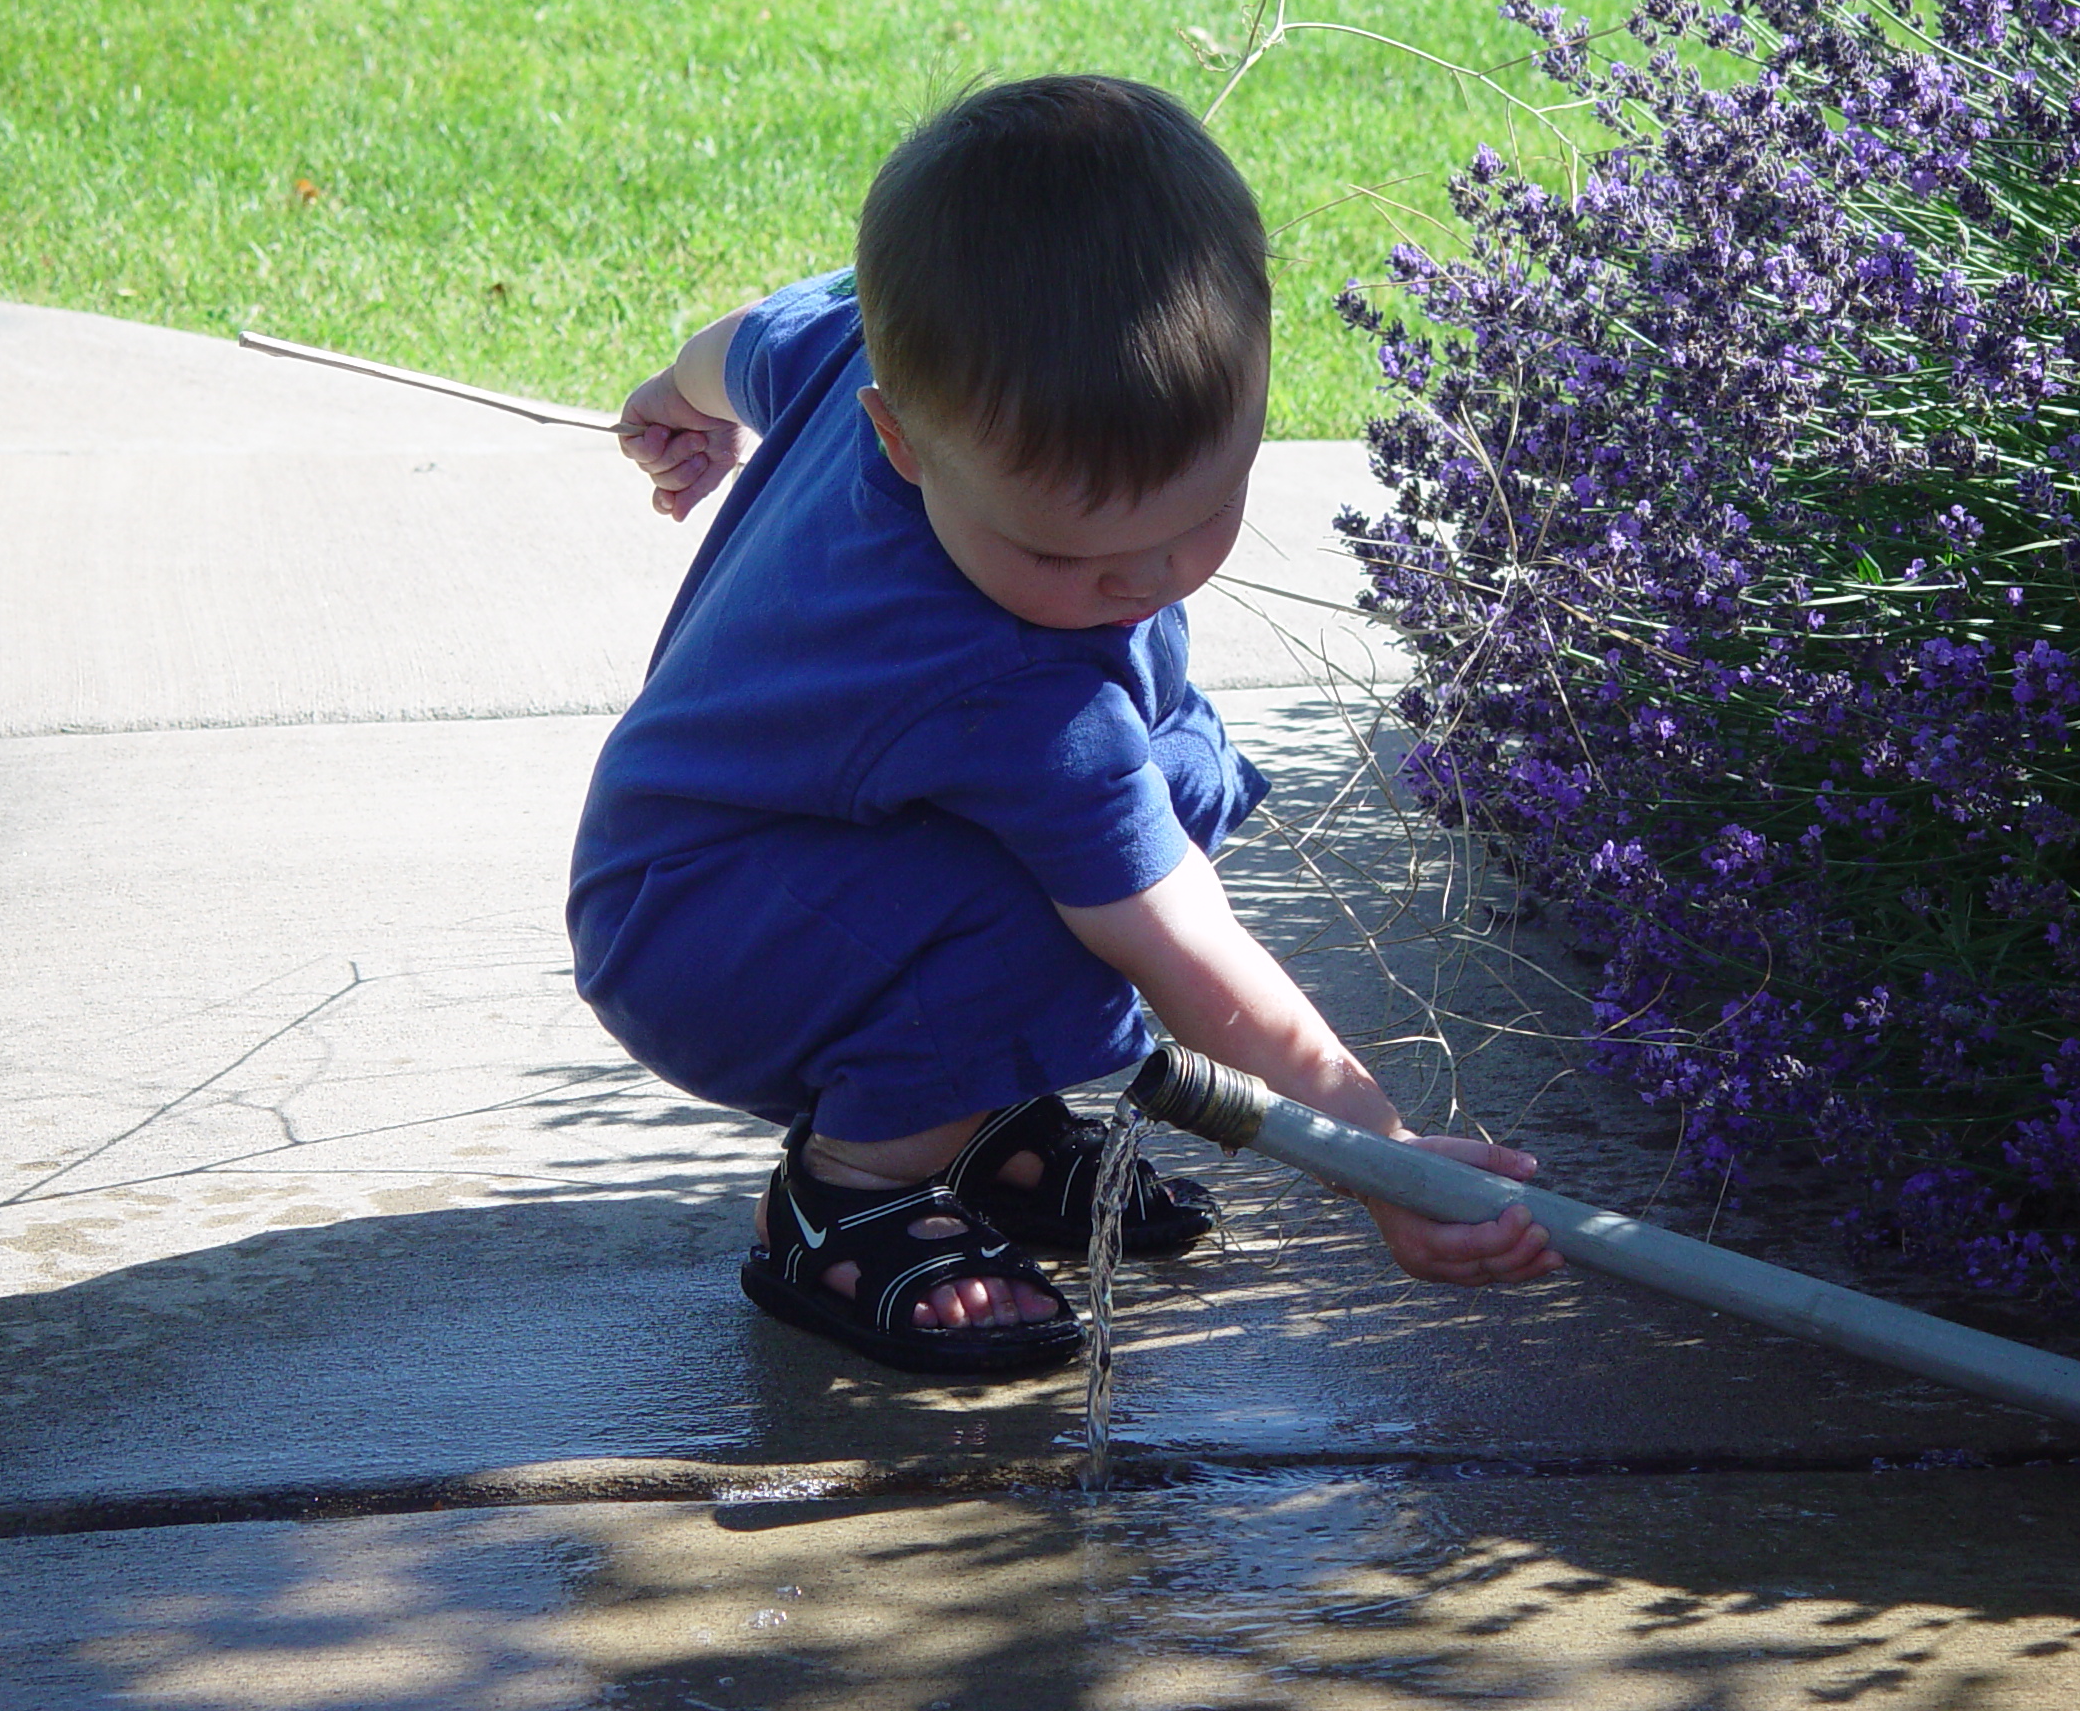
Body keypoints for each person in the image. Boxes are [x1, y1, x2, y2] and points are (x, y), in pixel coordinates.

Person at [569, 75, 1561, 1377]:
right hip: (700, 938)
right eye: (1069, 553)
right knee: (1077, 892)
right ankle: (853, 1188)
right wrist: (1372, 1154)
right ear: (902, 438)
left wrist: (673, 402)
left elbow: (745, 343)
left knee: (1178, 767)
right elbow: (1181, 946)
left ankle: (962, 1121)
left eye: (1194, 521)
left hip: (767, 870)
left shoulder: (888, 343)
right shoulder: (1007, 680)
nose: (1141, 583)